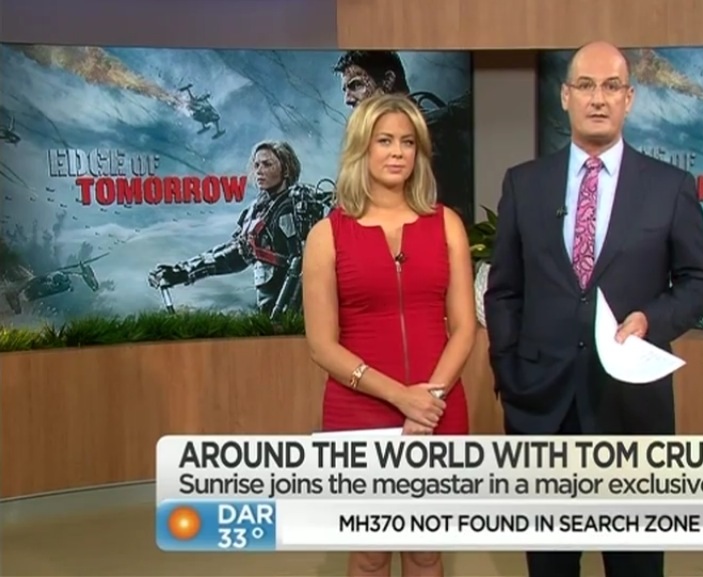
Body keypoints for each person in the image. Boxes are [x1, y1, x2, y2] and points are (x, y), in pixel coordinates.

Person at [484, 41, 703, 577]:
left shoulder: (670, 188)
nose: (598, 98)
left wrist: (651, 319)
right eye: (586, 86)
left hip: (631, 409)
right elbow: (504, 292)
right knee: (550, 566)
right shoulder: (524, 184)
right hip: (541, 407)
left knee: (635, 564)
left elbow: (701, 282)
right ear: (565, 96)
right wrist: (510, 372)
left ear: (629, 99)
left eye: (611, 86)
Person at [302, 93, 476, 577]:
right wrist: (402, 397)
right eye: (385, 141)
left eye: (408, 142)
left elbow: (464, 328)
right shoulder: (326, 235)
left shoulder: (447, 225)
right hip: (359, 409)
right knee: (370, 553)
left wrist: (429, 400)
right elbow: (321, 345)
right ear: (362, 147)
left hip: (438, 406)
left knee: (425, 551)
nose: (398, 152)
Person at [147, 140, 326, 319]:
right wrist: (183, 271)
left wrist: (286, 314)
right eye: (256, 165)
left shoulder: (296, 207)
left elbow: (302, 265)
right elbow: (234, 254)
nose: (259, 170)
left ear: (285, 169)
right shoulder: (258, 210)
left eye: (267, 164)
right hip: (270, 311)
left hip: (296, 314)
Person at [333, 50, 475, 225]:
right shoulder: (361, 148)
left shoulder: (437, 131)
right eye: (345, 90)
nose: (347, 99)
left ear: (388, 80)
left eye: (356, 85)